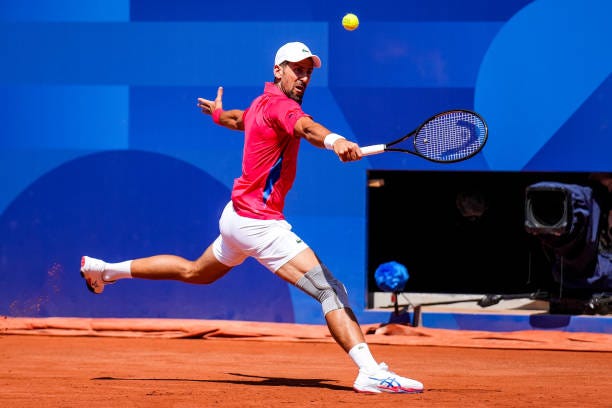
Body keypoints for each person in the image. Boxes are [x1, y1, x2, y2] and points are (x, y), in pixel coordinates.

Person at [80, 41, 424, 394]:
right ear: (278, 70)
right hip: (259, 223)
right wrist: (335, 140)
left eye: (308, 71)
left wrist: (217, 113)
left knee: (194, 272)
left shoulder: (262, 103)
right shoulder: (284, 108)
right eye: (296, 69)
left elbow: (237, 119)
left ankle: (104, 270)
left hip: (236, 217)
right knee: (330, 290)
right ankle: (369, 371)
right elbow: (306, 128)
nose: (303, 77)